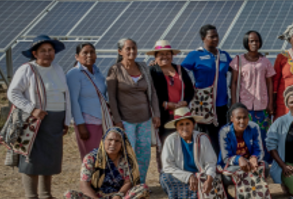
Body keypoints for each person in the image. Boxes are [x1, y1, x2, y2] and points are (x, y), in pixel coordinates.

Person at [7, 35, 72, 199]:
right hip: (34, 120)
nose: (47, 54)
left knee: (50, 156)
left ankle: (46, 194)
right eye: (43, 50)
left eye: (50, 50)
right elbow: (13, 93)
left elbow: (65, 95)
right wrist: (32, 108)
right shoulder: (27, 69)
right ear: (34, 53)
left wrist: (66, 120)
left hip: (55, 120)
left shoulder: (57, 69)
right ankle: (32, 198)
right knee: (32, 157)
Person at [64, 127, 150, 199]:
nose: (113, 144)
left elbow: (128, 182)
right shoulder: (91, 158)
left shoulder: (126, 159)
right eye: (110, 140)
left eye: (117, 141)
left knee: (143, 189)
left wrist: (118, 195)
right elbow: (84, 185)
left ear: (122, 144)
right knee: (68, 195)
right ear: (103, 141)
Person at [107, 38, 159, 186]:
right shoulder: (115, 70)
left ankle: (140, 184)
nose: (131, 51)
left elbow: (153, 92)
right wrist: (117, 120)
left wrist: (156, 114)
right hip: (125, 120)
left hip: (145, 119)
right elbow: (112, 97)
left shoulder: (143, 67)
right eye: (128, 49)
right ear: (120, 51)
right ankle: (128, 185)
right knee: (128, 154)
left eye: (134, 48)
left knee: (144, 154)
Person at [181, 25, 234, 154]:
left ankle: (219, 165)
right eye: (211, 37)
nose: (215, 39)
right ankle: (207, 164)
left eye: (216, 36)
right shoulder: (195, 55)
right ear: (203, 38)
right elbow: (179, 72)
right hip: (203, 104)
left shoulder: (224, 55)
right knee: (206, 135)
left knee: (221, 135)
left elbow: (237, 70)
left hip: (221, 104)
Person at [148, 40, 196, 173]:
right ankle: (166, 173)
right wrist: (165, 104)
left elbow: (190, 91)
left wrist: (185, 102)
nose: (164, 57)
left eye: (167, 53)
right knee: (165, 145)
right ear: (155, 57)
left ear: (172, 55)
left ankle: (183, 171)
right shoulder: (151, 71)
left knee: (182, 143)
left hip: (181, 114)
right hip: (163, 116)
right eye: (160, 54)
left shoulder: (180, 70)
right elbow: (150, 94)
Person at [159, 108, 217, 199]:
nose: (184, 127)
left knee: (214, 178)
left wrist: (208, 180)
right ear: (176, 127)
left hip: (199, 175)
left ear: (193, 125)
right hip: (181, 175)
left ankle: (194, 197)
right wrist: (188, 176)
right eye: (181, 124)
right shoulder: (170, 140)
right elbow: (167, 166)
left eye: (187, 123)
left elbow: (210, 162)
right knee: (165, 178)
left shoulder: (202, 138)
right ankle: (179, 198)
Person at [66, 43, 111, 160]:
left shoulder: (97, 72)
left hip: (103, 122)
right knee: (92, 160)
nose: (89, 55)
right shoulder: (74, 74)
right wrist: (80, 125)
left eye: (92, 52)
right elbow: (73, 101)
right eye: (85, 53)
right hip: (87, 123)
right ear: (77, 57)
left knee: (104, 158)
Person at [230, 31, 276, 143]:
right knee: (244, 135)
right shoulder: (238, 60)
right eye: (251, 41)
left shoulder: (265, 61)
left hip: (262, 104)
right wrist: (234, 104)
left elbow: (270, 83)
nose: (254, 43)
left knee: (263, 135)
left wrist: (270, 103)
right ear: (247, 42)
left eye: (257, 41)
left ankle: (263, 159)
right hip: (244, 105)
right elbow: (234, 83)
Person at [217, 104, 265, 199]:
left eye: (244, 117)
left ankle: (252, 193)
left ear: (248, 118)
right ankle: (232, 193)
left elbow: (259, 149)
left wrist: (254, 157)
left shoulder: (254, 127)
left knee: (265, 168)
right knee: (229, 174)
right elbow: (226, 158)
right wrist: (238, 159)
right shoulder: (225, 131)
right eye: (238, 118)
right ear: (232, 119)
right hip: (232, 166)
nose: (242, 121)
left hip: (250, 164)